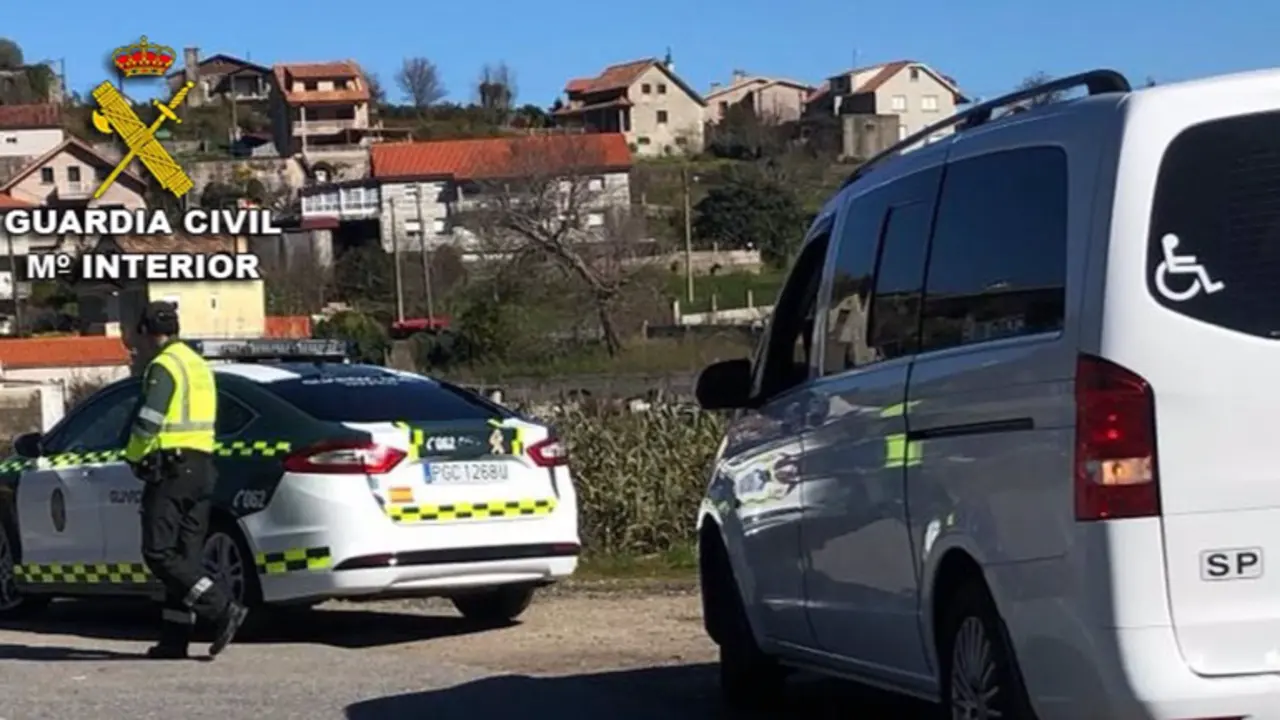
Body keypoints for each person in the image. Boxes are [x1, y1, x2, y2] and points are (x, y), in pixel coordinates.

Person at [123, 301, 248, 659]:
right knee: (184, 557)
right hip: (203, 467)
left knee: (158, 552)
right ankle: (174, 638)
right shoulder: (197, 364)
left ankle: (222, 608)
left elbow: (149, 419)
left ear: (146, 331)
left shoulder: (164, 365)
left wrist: (133, 455)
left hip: (173, 468)